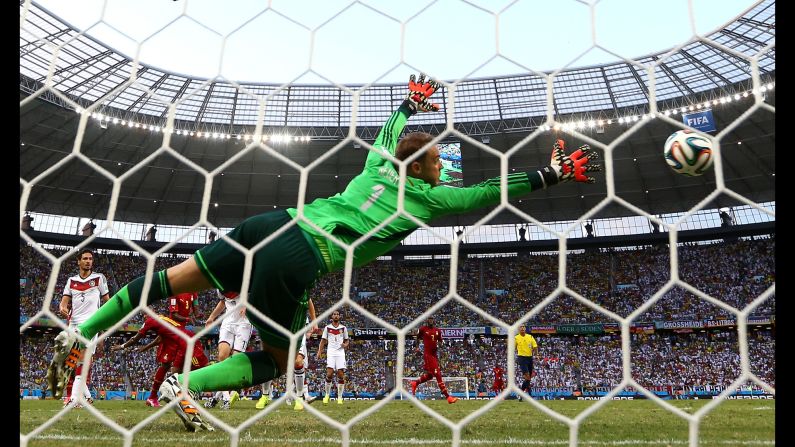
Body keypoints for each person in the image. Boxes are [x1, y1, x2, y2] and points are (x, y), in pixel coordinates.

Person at [47, 73, 601, 431]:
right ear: (427, 168)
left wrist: (409, 103)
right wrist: (550, 174)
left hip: (273, 220)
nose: (442, 167)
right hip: (299, 255)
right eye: (437, 162)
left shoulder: (377, 164)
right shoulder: (428, 202)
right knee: (276, 364)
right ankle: (185, 385)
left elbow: (388, 132)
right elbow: (489, 192)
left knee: (168, 280)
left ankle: (82, 332)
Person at [111, 314, 210, 415]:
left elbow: (135, 339)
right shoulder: (161, 318)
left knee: (201, 368)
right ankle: (167, 396)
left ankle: (207, 396)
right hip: (183, 341)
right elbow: (160, 338)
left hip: (187, 342)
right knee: (174, 370)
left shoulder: (149, 322)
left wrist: (122, 346)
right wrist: (145, 348)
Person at [52, 248, 110, 407]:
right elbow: (63, 303)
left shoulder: (99, 278)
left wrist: (104, 325)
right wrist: (63, 308)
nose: (88, 261)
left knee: (83, 358)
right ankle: (82, 397)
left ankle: (73, 398)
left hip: (91, 323)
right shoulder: (71, 281)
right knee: (73, 361)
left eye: (90, 259)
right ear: (79, 261)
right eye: (85, 258)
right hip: (74, 324)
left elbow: (108, 302)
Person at [258, 297, 319, 411]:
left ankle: (300, 397)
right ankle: (265, 395)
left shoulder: (300, 285)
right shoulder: (276, 286)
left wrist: (314, 320)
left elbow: (309, 300)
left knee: (298, 361)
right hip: (279, 326)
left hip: (298, 326)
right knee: (269, 359)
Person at [203, 290, 252, 410]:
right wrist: (211, 317)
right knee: (222, 356)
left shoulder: (246, 278)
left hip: (244, 322)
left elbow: (257, 296)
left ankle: (216, 398)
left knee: (234, 362)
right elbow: (223, 302)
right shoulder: (220, 286)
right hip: (228, 321)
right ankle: (226, 398)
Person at [410, 317, 457, 404]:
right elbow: (417, 338)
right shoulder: (423, 329)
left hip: (434, 355)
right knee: (438, 374)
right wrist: (417, 348)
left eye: (432, 319)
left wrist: (440, 345)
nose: (431, 320)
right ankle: (448, 397)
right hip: (428, 355)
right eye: (429, 319)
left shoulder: (438, 330)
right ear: (427, 320)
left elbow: (440, 341)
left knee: (430, 375)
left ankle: (415, 383)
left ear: (434, 320)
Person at [316, 310, 349, 404]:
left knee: (341, 374)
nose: (336, 316)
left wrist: (345, 345)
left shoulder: (343, 328)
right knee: (329, 374)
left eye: (337, 314)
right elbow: (322, 341)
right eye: (334, 314)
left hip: (340, 353)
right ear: (332, 316)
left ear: (339, 316)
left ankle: (339, 397)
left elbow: (347, 341)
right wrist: (319, 352)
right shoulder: (327, 328)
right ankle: (327, 395)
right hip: (330, 352)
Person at [515, 325, 538, 394]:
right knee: (527, 375)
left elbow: (535, 346)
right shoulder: (516, 338)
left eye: (523, 327)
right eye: (520, 327)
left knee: (528, 378)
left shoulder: (530, 337)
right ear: (519, 329)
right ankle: (530, 394)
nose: (522, 328)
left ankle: (521, 394)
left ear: (525, 329)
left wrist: (536, 354)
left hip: (529, 358)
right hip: (521, 358)